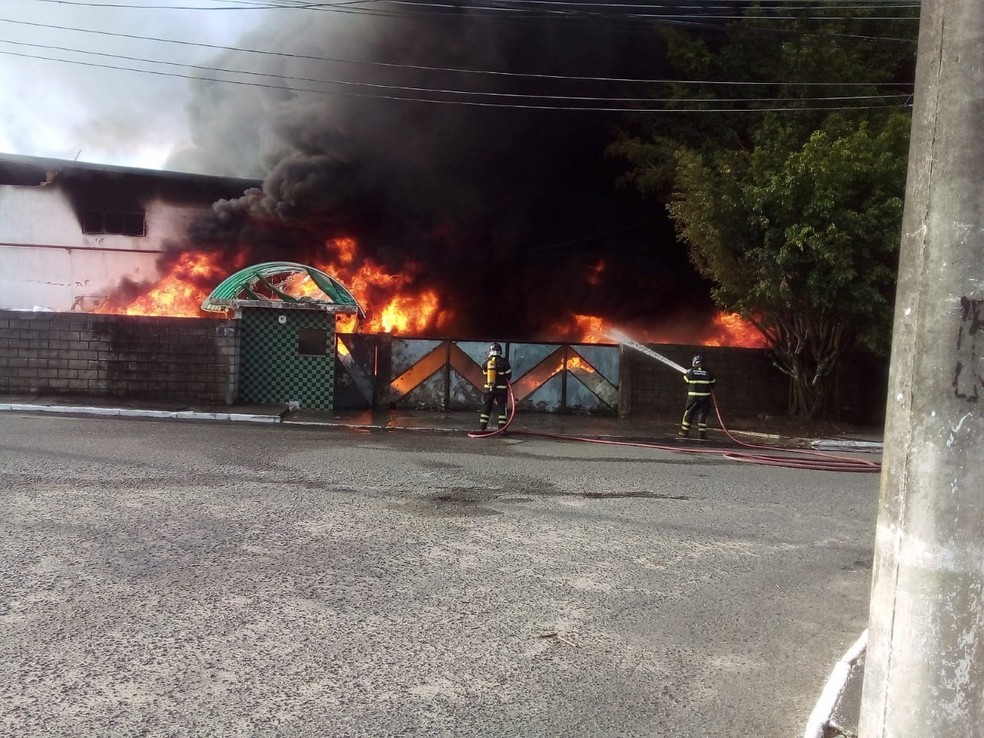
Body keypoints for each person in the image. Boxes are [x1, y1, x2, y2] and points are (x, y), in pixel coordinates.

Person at [678, 353, 716, 440]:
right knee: (703, 415)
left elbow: (686, 380)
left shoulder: (690, 372)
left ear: (694, 361)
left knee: (689, 414)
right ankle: (702, 434)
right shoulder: (708, 372)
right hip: (705, 399)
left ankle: (684, 432)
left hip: (693, 398)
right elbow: (713, 383)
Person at [479, 342, 512, 431]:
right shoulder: (504, 362)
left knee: (487, 406)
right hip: (501, 390)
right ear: (499, 351)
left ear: (490, 351)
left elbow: (484, 374)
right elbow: (509, 376)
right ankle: (502, 429)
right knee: (501, 407)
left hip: (489, 388)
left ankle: (482, 427)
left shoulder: (485, 362)